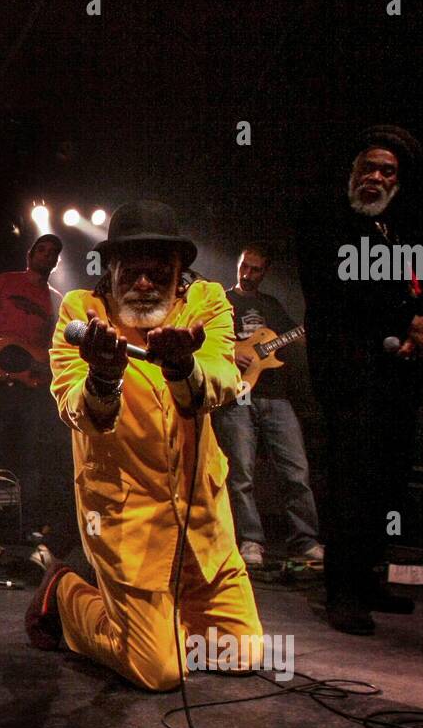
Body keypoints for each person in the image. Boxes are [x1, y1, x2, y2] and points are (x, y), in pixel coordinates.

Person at [27, 201, 264, 690]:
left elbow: (222, 380)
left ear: (179, 273)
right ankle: (65, 594)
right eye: (130, 271)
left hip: (201, 523)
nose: (142, 284)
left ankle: (159, 619)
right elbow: (75, 409)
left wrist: (184, 368)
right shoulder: (80, 313)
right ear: (110, 270)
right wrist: (104, 378)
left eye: (156, 273)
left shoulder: (207, 303)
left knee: (244, 655)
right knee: (159, 672)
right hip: (126, 523)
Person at [297, 125, 423, 635]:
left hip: (391, 380)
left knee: (385, 481)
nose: (376, 177)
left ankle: (369, 577)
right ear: (353, 172)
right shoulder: (327, 220)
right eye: (369, 167)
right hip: (349, 376)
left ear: (397, 181)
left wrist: (416, 329)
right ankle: (344, 593)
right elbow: (335, 291)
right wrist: (401, 323)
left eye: (387, 171)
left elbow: (408, 288)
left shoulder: (393, 230)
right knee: (351, 483)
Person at [0, 234, 77, 562]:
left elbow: (59, 343)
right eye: (42, 249)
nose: (47, 256)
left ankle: (23, 528)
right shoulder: (6, 282)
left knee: (32, 455)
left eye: (54, 252)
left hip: (32, 383)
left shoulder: (57, 298)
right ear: (30, 253)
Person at [212, 245, 323, 568]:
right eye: (244, 267)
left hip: (276, 396)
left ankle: (305, 541)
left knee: (296, 471)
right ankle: (250, 540)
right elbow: (203, 338)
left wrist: (311, 332)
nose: (247, 274)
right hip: (237, 396)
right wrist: (232, 351)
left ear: (265, 272)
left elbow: (295, 337)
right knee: (241, 473)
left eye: (255, 270)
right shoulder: (222, 301)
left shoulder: (271, 305)